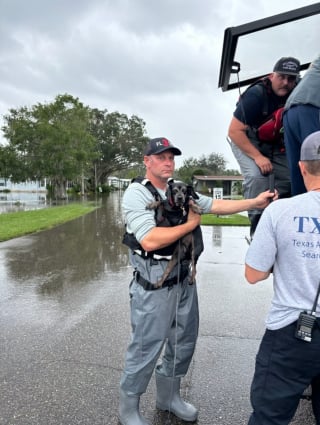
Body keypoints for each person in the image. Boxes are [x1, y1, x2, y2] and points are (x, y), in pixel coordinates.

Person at [119, 137, 276, 425]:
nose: (168, 162)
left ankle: (169, 397)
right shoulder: (137, 194)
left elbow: (215, 205)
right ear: (147, 161)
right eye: (161, 157)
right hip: (154, 281)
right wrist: (191, 225)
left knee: (184, 340)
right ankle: (129, 408)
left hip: (183, 279)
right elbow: (149, 240)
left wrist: (254, 201)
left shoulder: (181, 190)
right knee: (145, 346)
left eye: (171, 157)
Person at [244, 130, 320, 425]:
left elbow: (253, 274)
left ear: (301, 167)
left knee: (269, 418)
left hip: (291, 332)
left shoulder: (280, 211)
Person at [227, 56, 300, 238]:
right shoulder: (256, 95)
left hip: (274, 142)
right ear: (271, 76)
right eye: (281, 77)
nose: (285, 83)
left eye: (291, 79)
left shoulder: (299, 91)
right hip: (245, 139)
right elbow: (234, 131)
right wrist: (258, 157)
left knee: (293, 176)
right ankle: (257, 229)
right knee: (257, 176)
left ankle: (282, 225)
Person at [283, 53, 320, 196]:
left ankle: (298, 210)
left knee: (300, 167)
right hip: (311, 106)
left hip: (291, 110)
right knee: (315, 164)